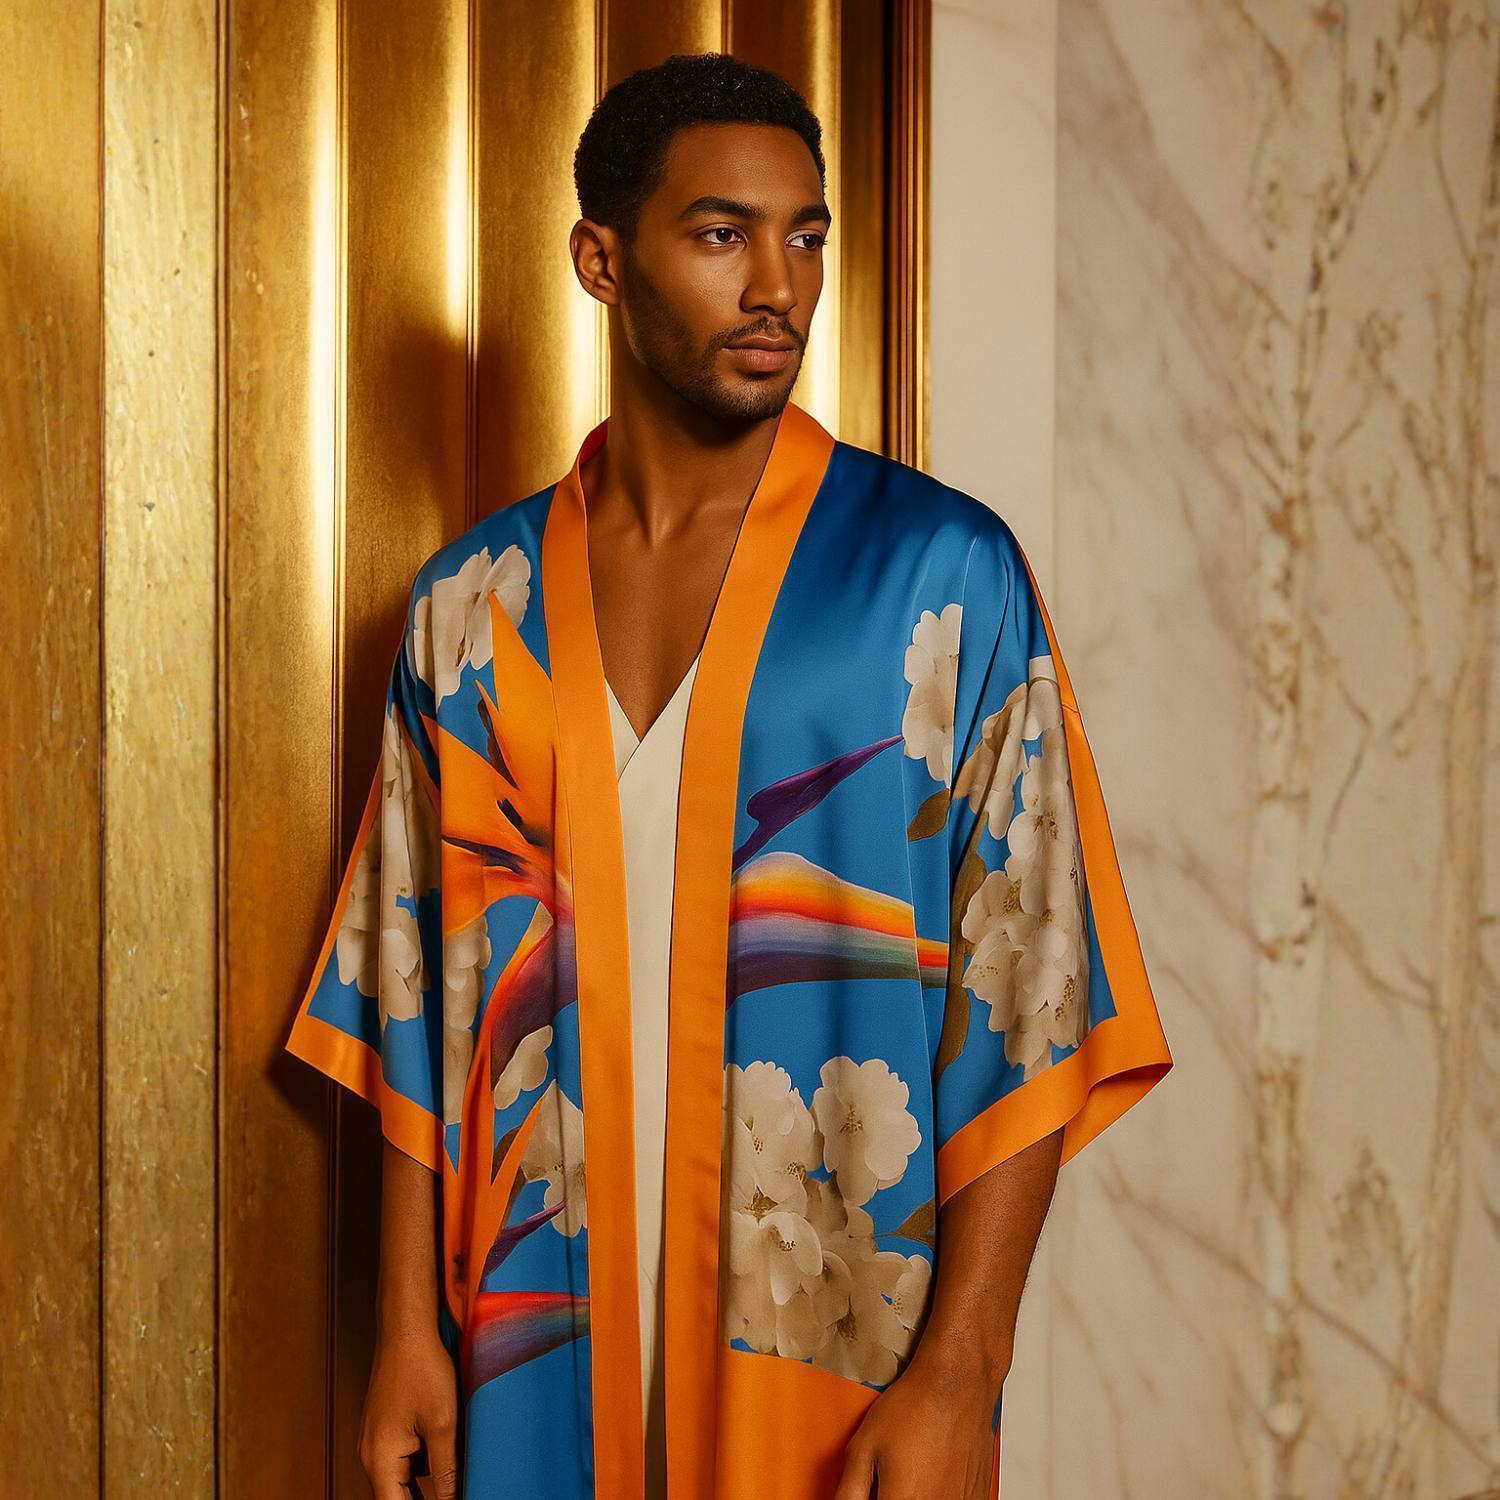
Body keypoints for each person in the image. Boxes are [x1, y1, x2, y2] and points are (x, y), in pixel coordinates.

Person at [283, 50, 1173, 1500]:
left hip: (834, 1381)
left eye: (805, 234)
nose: (779, 284)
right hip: (532, 1368)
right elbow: (408, 998)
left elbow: (1034, 993)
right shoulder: (467, 611)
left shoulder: (938, 581)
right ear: (601, 258)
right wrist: (404, 1333)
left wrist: (962, 1373)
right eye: (721, 234)